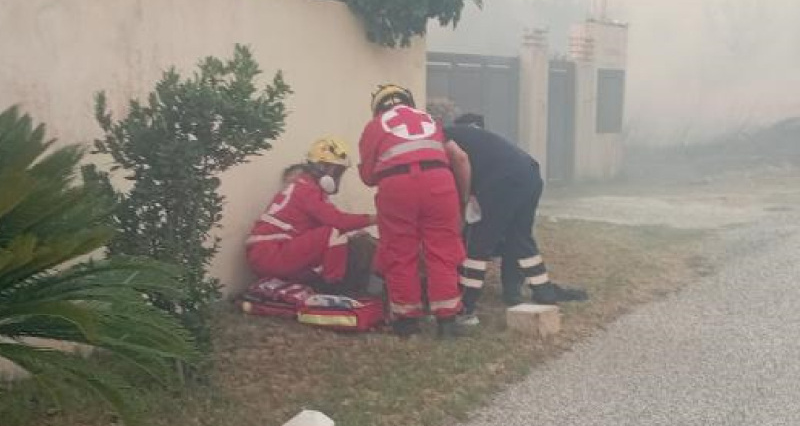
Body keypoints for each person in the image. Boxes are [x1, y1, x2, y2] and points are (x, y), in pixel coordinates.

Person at [445, 114, 588, 326]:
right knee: (519, 237)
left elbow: (461, 163)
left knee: (478, 242)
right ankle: (543, 291)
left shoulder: (442, 138)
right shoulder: (469, 135)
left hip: (503, 180)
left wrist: (463, 201)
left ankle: (465, 307)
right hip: (529, 173)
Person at [358, 84, 465, 338]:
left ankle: (407, 324)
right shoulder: (429, 119)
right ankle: (447, 322)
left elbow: (368, 176)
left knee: (400, 251)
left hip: (397, 187)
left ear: (378, 108)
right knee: (442, 250)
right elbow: (455, 156)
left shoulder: (375, 126)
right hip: (440, 183)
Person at [246, 138, 376, 293]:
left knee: (344, 234)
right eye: (335, 170)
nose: (336, 176)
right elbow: (338, 221)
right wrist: (375, 218)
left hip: (272, 252)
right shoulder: (306, 189)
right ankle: (333, 287)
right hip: (271, 253)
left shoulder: (307, 187)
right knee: (335, 231)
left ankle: (327, 285)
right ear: (320, 167)